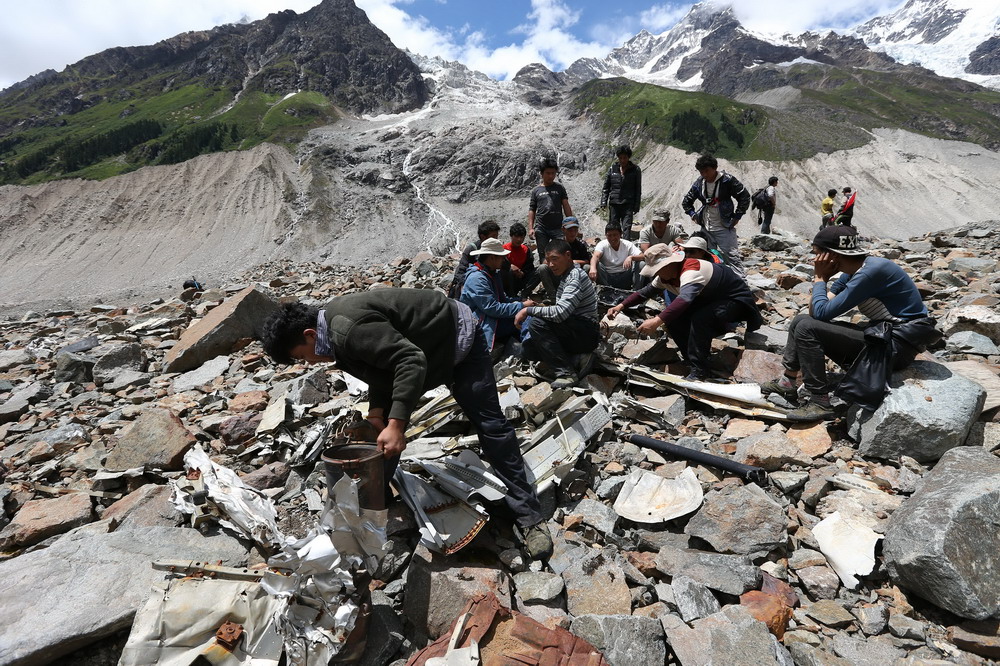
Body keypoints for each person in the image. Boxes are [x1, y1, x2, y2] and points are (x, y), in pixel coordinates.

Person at [260, 290, 553, 559]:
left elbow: (409, 361)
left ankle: (529, 517)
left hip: (457, 341)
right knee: (378, 436)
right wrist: (377, 417)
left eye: (302, 356)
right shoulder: (334, 338)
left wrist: (397, 425)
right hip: (423, 354)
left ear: (310, 334)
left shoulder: (347, 329)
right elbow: (379, 369)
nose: (309, 363)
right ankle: (375, 512)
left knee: (491, 427)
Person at [761, 226, 936, 421]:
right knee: (801, 320)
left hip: (897, 348)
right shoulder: (854, 270)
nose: (814, 260)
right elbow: (815, 312)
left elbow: (821, 313)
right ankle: (787, 382)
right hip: (883, 337)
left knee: (806, 328)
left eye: (818, 254)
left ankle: (820, 401)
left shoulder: (870, 272)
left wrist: (820, 278)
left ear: (832, 256)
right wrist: (821, 282)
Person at [607, 244, 761, 381]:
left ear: (670, 264)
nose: (656, 274)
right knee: (674, 320)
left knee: (700, 320)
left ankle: (700, 370)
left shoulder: (691, 271)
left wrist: (656, 320)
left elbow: (685, 300)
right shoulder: (664, 276)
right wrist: (620, 306)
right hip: (710, 300)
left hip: (735, 302)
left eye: (658, 270)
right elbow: (644, 292)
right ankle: (692, 359)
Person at [515, 240, 600, 389]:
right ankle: (577, 359)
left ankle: (566, 373)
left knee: (536, 323)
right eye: (548, 260)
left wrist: (528, 310)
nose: (551, 265)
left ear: (568, 256)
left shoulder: (574, 277)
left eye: (555, 259)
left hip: (586, 332)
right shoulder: (566, 276)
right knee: (528, 349)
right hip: (574, 328)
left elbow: (560, 313)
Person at [461, 238, 535, 359]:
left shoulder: (491, 274)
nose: (504, 259)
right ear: (492, 258)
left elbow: (503, 299)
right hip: (481, 323)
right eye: (501, 257)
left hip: (489, 319)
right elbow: (493, 308)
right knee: (525, 317)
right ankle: (531, 350)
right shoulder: (477, 278)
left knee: (526, 316)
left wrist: (520, 301)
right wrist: (522, 306)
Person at [681, 154, 751, 278]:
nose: (704, 174)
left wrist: (737, 216)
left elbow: (744, 196)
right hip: (706, 226)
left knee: (732, 257)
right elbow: (686, 201)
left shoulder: (727, 180)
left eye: (707, 171)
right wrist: (693, 215)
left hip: (724, 226)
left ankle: (741, 285)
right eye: (701, 172)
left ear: (715, 168)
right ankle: (710, 281)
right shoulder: (700, 182)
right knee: (706, 256)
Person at [523, 217, 591, 300]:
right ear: (563, 230)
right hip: (558, 275)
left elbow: (587, 260)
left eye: (575, 230)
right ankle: (552, 297)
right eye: (570, 230)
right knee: (542, 268)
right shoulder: (555, 244)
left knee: (587, 267)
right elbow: (545, 261)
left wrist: (573, 262)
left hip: (575, 277)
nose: (573, 233)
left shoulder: (581, 244)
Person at [528, 158, 574, 260]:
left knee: (561, 253)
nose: (551, 176)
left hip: (558, 227)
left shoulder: (559, 188)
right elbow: (532, 209)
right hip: (541, 228)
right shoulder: (536, 191)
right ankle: (545, 275)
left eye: (553, 173)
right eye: (548, 173)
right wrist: (531, 228)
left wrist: (571, 223)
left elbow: (566, 205)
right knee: (543, 256)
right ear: (541, 173)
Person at [449, 220, 501, 299]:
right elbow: (460, 273)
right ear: (483, 236)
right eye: (493, 236)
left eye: (497, 236)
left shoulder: (496, 249)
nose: (496, 239)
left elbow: (505, 265)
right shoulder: (472, 249)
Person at [600, 145, 642, 233]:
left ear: (628, 157)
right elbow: (606, 187)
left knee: (627, 227)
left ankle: (626, 244)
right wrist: (604, 202)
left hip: (628, 203)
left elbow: (638, 189)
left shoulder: (635, 170)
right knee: (613, 227)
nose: (623, 160)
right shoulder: (612, 169)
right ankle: (613, 245)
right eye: (621, 158)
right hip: (614, 203)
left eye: (625, 158)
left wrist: (636, 205)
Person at [590, 224, 642, 290]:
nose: (612, 238)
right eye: (609, 235)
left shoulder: (627, 244)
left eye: (615, 235)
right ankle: (606, 290)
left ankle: (636, 291)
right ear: (606, 235)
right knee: (596, 264)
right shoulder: (602, 244)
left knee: (641, 264)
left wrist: (631, 257)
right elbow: (595, 256)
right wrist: (592, 268)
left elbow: (643, 256)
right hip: (608, 276)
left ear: (620, 234)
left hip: (625, 276)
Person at [502, 222, 536, 297]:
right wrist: (510, 267)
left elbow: (530, 267)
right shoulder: (503, 250)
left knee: (540, 270)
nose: (519, 239)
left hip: (522, 278)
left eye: (521, 237)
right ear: (511, 236)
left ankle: (525, 293)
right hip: (508, 281)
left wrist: (523, 273)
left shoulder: (526, 250)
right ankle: (511, 295)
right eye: (516, 237)